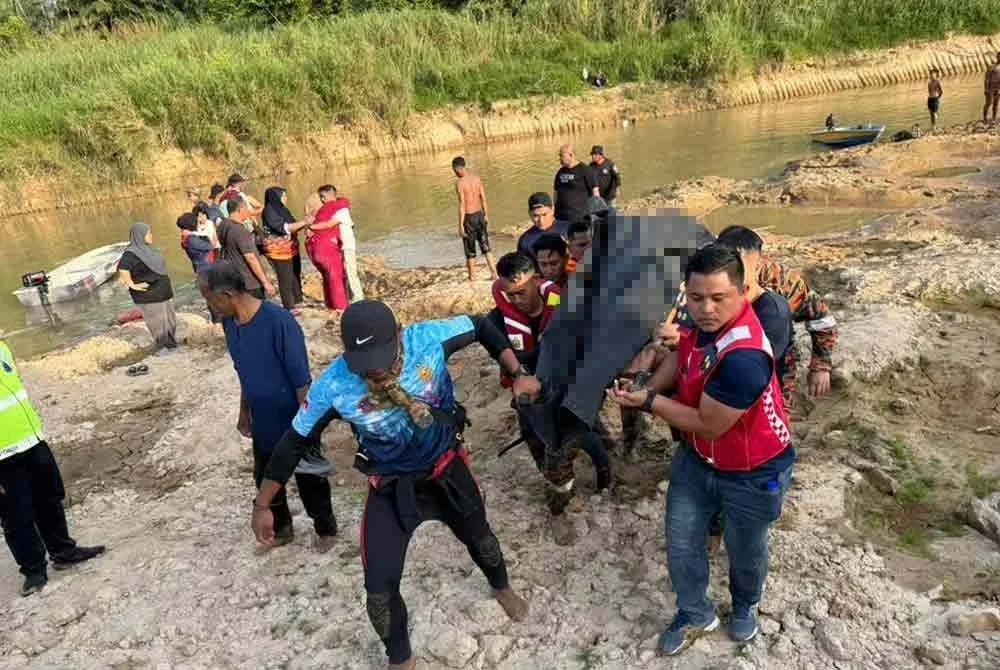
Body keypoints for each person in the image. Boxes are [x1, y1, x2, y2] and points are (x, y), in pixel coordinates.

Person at [251, 300, 530, 669]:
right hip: (391, 488)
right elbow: (293, 443)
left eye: (383, 355)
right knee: (378, 589)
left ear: (399, 334)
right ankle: (400, 658)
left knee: (482, 540)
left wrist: (517, 371)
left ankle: (500, 586)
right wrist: (263, 505)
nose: (377, 369)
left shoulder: (428, 339)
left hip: (447, 470)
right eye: (365, 362)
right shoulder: (335, 385)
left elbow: (482, 325)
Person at [611, 244, 794, 656]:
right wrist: (649, 384)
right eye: (696, 298)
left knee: (745, 548)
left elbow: (708, 423)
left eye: (717, 298)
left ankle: (745, 604)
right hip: (698, 459)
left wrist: (649, 403)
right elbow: (682, 353)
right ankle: (696, 613)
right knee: (680, 541)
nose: (705, 308)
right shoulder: (700, 325)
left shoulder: (744, 355)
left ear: (742, 291)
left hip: (752, 469)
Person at [200, 262, 338, 552]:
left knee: (309, 478)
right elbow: (244, 371)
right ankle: (282, 529)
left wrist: (309, 429)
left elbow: (301, 381)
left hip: (293, 419)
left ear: (226, 295)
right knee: (264, 476)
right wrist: (243, 412)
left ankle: (325, 529)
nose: (209, 307)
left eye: (209, 300)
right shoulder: (230, 325)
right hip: (262, 419)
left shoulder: (279, 322)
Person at [489, 252, 611, 545]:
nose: (516, 300)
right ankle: (587, 472)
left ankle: (560, 508)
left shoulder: (561, 304)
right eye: (510, 294)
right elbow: (505, 354)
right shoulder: (498, 319)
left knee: (567, 448)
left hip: (568, 392)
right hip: (530, 396)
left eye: (521, 292)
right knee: (536, 444)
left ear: (536, 281)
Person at [0, 339, 106, 596]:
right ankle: (34, 570)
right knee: (16, 517)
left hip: (33, 440)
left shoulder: (2, 347)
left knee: (49, 498)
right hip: (3, 456)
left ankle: (63, 551)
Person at [117, 222, 178, 352]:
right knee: (158, 324)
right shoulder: (131, 253)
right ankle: (163, 349)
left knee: (170, 321)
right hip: (150, 294)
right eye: (148, 233)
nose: (151, 235)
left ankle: (172, 346)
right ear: (140, 235)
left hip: (163, 292)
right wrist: (132, 284)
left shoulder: (148, 250)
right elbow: (123, 269)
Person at [261, 187, 310, 312]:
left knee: (295, 274)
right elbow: (284, 228)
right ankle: (289, 306)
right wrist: (305, 222)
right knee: (285, 278)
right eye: (283, 196)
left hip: (290, 247)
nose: (285, 198)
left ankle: (298, 300)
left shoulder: (282, 209)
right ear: (276, 197)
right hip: (279, 251)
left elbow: (294, 224)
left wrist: (305, 224)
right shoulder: (269, 211)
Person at [218, 198, 276, 300]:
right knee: (256, 312)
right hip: (249, 282)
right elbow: (250, 258)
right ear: (240, 210)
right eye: (247, 208)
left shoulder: (223, 225)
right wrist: (265, 282)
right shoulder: (240, 231)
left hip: (234, 278)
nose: (249, 211)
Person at [452, 156, 497, 282]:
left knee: (470, 249)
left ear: (458, 168)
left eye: (454, 170)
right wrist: (486, 214)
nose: (455, 173)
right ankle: (494, 273)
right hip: (480, 215)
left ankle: (472, 276)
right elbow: (483, 197)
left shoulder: (460, 183)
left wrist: (460, 225)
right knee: (485, 245)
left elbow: (462, 204)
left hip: (469, 217)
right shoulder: (477, 178)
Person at [306, 185, 349, 312]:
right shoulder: (332, 206)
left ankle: (330, 304)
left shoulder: (318, 214)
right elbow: (345, 202)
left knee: (327, 277)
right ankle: (341, 308)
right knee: (336, 278)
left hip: (313, 250)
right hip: (326, 249)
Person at [326, 187, 364, 302]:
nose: (323, 201)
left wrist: (311, 226)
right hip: (343, 246)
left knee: (351, 272)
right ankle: (350, 296)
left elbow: (329, 224)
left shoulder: (341, 211)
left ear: (329, 196)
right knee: (346, 272)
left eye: (323, 198)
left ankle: (358, 297)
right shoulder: (339, 209)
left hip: (347, 246)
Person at [553, 144, 599, 224]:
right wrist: (553, 210)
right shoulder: (560, 172)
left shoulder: (585, 170)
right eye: (559, 156)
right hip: (560, 217)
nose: (560, 158)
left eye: (562, 156)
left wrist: (596, 212)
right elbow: (555, 192)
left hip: (580, 217)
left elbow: (595, 191)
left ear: (571, 155)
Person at [517, 192, 569, 257]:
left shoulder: (570, 230)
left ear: (552, 210)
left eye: (544, 214)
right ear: (529, 214)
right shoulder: (525, 241)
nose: (541, 220)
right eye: (536, 215)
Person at [985, 53, 1000, 125]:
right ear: (997, 57)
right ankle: (985, 118)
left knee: (996, 104)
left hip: (998, 88)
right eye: (999, 57)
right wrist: (986, 89)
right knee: (988, 103)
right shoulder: (991, 67)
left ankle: (994, 118)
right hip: (991, 87)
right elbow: (987, 79)